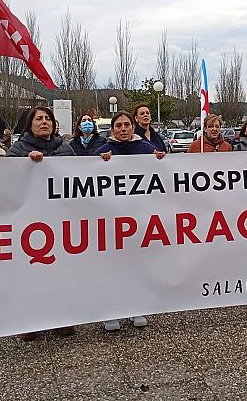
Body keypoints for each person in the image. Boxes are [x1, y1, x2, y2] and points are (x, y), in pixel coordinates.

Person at [7, 106, 74, 339]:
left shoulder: (65, 148)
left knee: (62, 271)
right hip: (31, 221)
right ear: (30, 124)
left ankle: (62, 318)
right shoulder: (18, 150)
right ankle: (29, 322)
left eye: (48, 119)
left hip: (60, 218)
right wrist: (26, 164)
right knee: (31, 272)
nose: (44, 122)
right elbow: (5, 177)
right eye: (39, 119)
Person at [95, 111, 165, 331]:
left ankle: (137, 307)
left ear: (133, 127)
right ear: (112, 129)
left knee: (138, 265)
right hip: (111, 220)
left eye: (127, 125)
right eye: (119, 125)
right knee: (112, 267)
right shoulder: (102, 151)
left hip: (139, 218)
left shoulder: (146, 149)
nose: (123, 129)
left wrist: (160, 160)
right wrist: (98, 162)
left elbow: (162, 173)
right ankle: (110, 311)